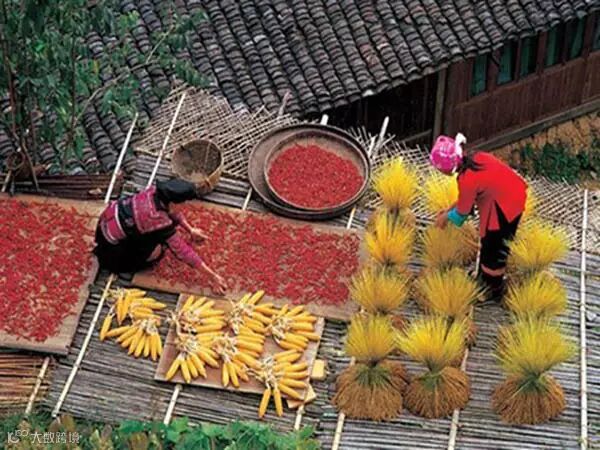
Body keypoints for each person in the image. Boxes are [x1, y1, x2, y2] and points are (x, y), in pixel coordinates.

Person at [430, 133, 527, 301]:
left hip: (504, 209)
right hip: (514, 196)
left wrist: (444, 219)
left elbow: (461, 215)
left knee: (493, 249)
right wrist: (448, 210)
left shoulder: (466, 179)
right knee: (491, 244)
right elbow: (466, 199)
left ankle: (493, 288)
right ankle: (483, 277)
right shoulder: (477, 157)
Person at [94, 178, 227, 294]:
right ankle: (125, 263)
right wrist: (212, 277)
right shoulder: (155, 219)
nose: (186, 206)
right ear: (173, 203)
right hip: (112, 249)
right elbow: (182, 251)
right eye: (184, 203)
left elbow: (173, 212)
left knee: (158, 236)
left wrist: (190, 230)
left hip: (109, 224)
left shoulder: (154, 193)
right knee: (157, 252)